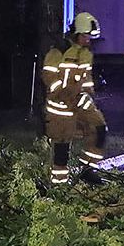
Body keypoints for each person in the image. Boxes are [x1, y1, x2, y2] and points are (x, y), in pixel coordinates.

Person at [42, 11, 106, 184]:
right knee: (62, 148)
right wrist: (64, 94)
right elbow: (49, 79)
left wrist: (89, 94)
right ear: (77, 33)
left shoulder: (86, 53)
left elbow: (86, 80)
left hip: (79, 102)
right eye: (85, 36)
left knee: (99, 129)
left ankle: (87, 169)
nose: (88, 40)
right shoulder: (58, 52)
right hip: (60, 107)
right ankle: (59, 185)